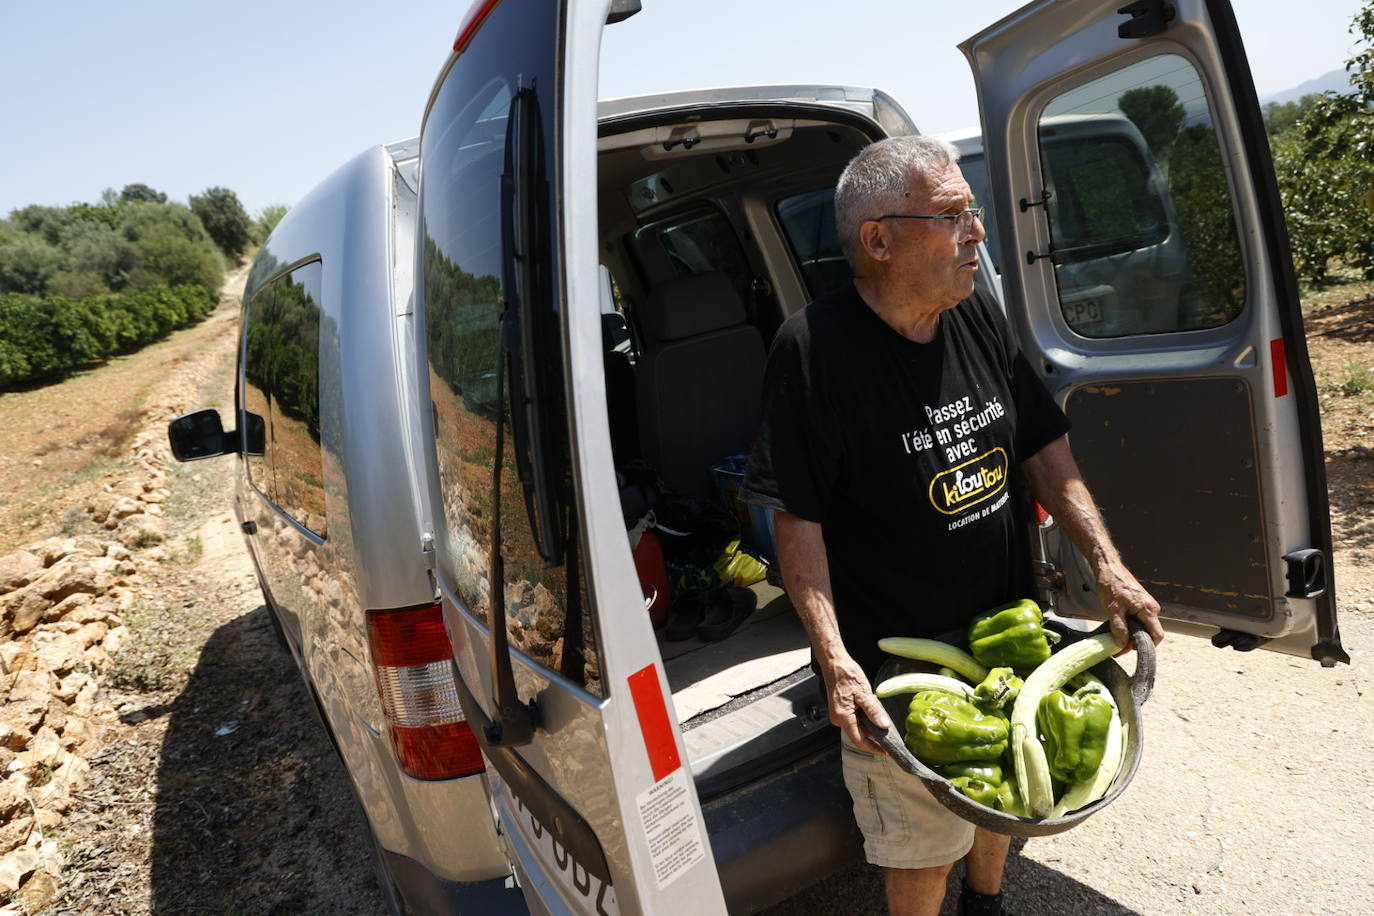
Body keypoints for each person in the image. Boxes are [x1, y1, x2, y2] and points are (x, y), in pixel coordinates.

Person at [739, 135, 1165, 916]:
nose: (977, 233)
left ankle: (988, 902)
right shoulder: (812, 352)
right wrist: (833, 661)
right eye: (952, 215)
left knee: (1007, 786)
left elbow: (1042, 442)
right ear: (879, 240)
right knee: (922, 843)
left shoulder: (975, 314)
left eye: (973, 211)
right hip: (902, 666)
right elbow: (797, 520)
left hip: (1008, 625)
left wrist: (1106, 562)